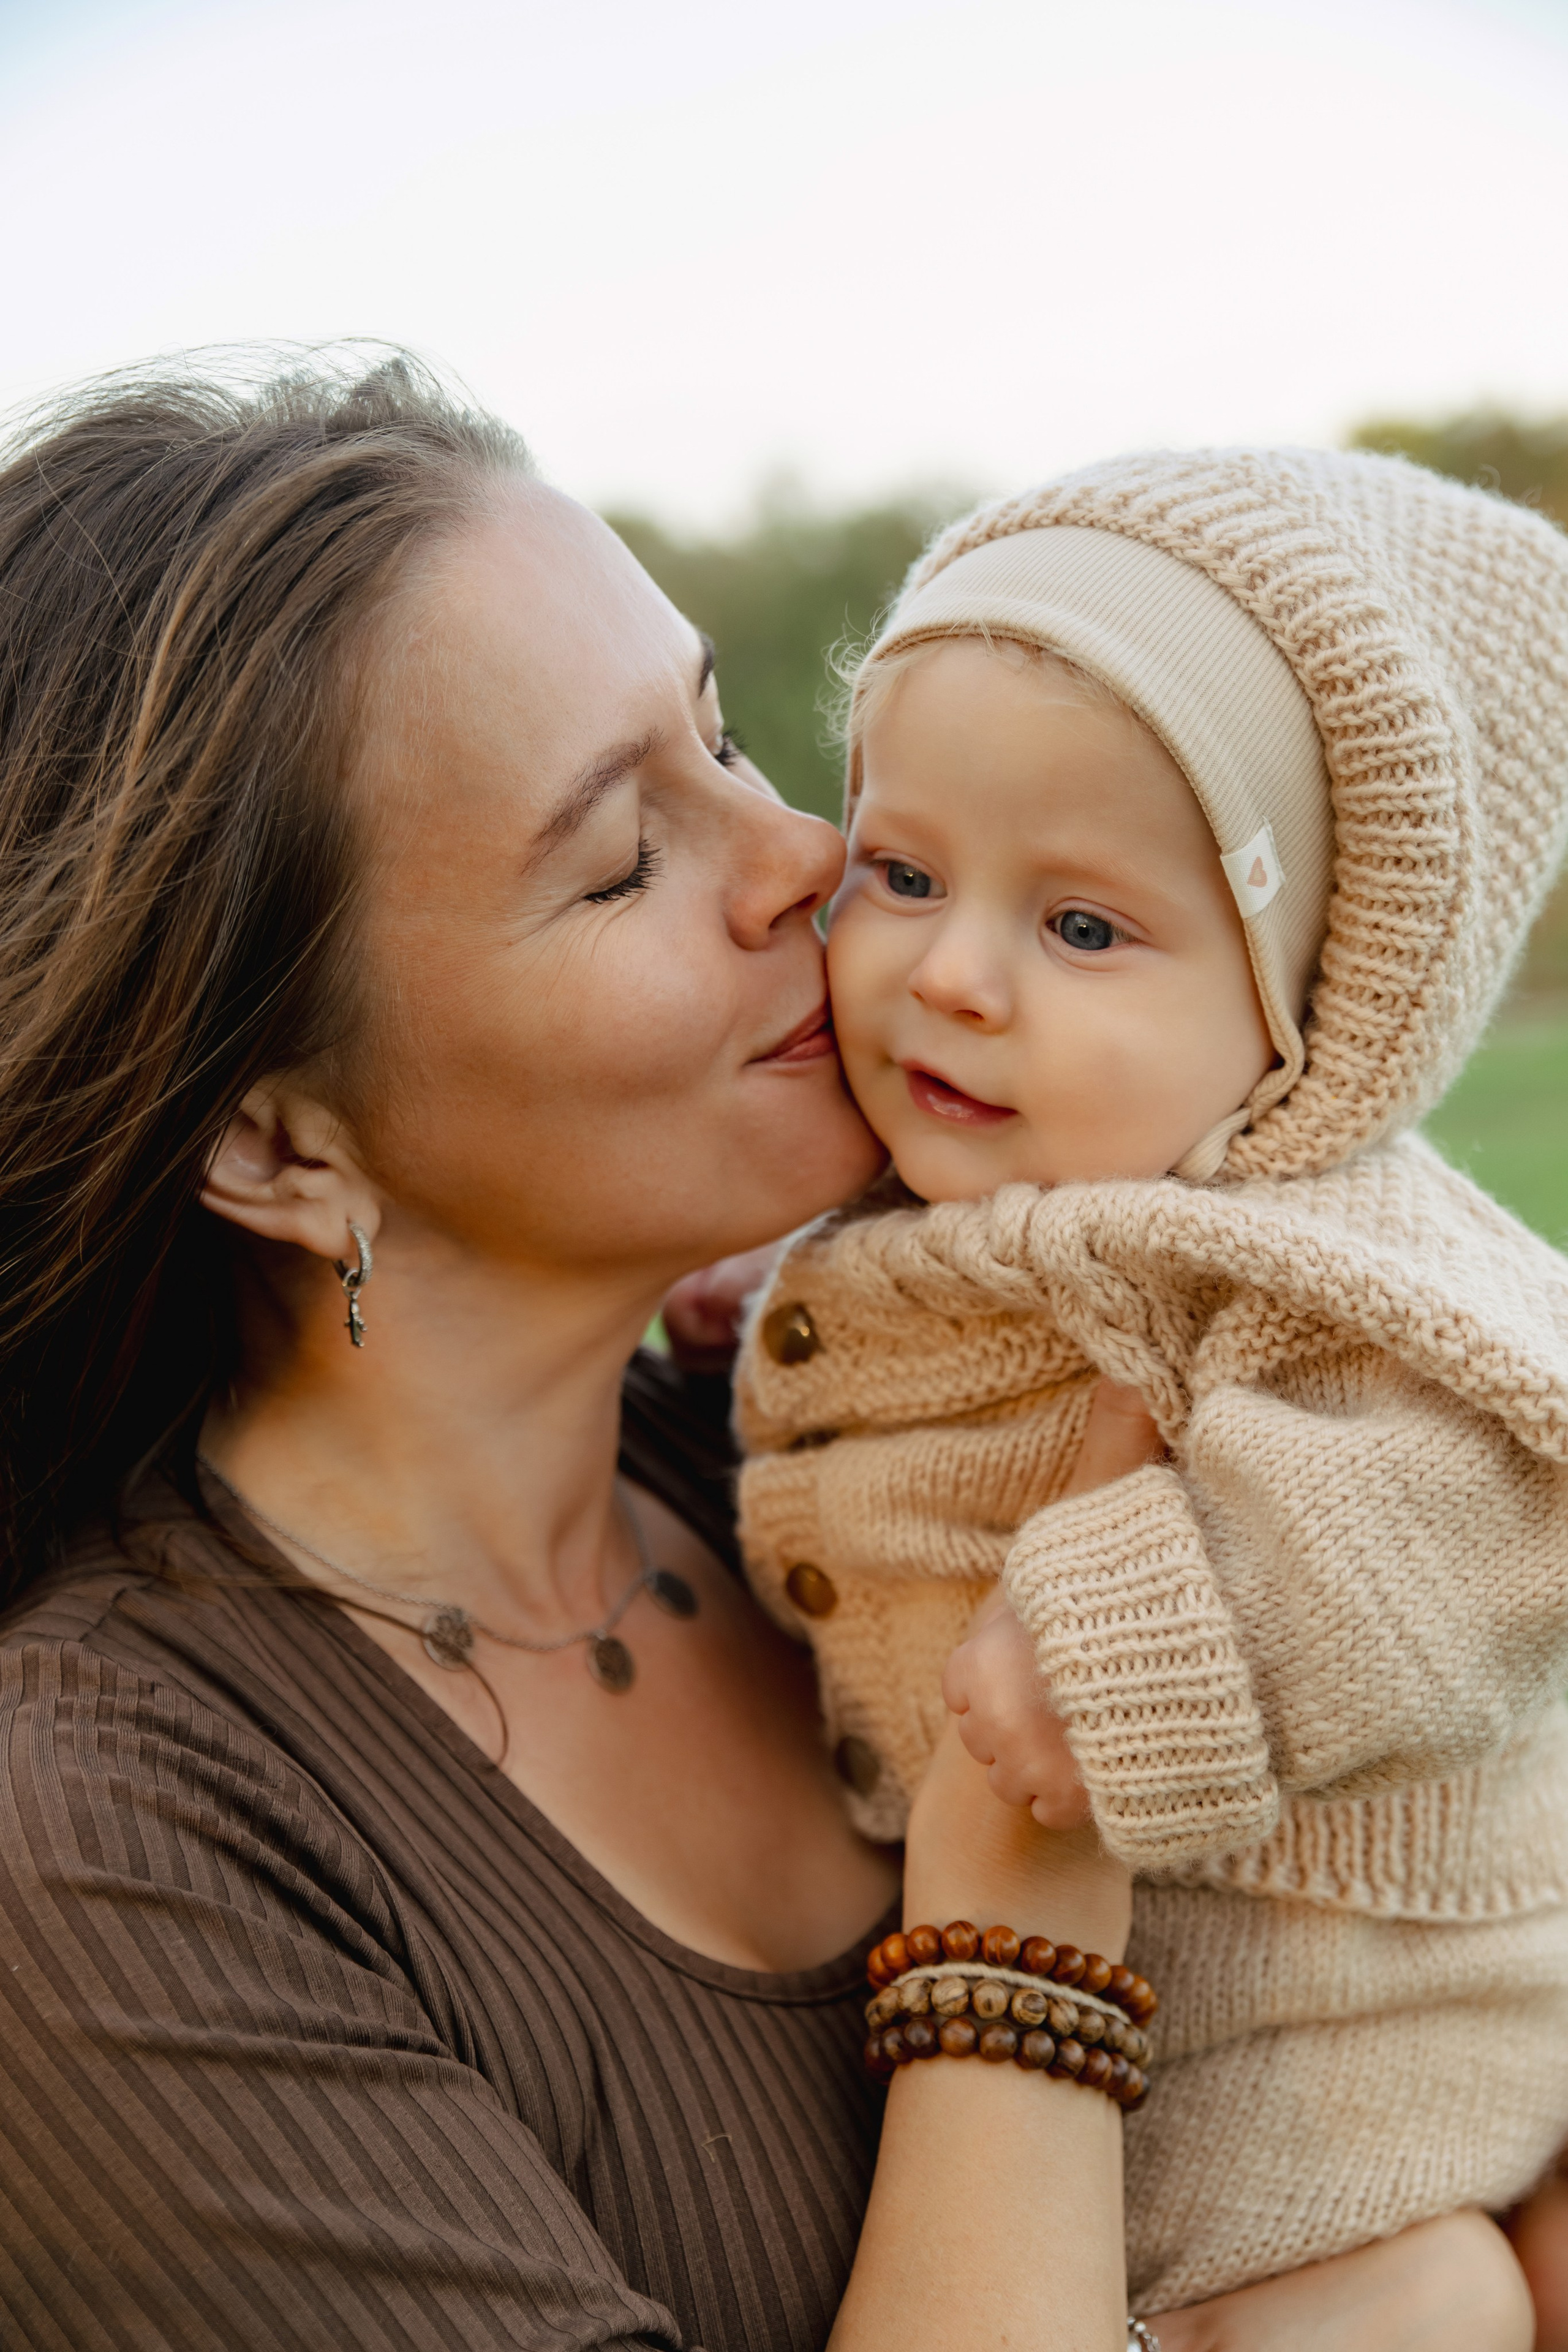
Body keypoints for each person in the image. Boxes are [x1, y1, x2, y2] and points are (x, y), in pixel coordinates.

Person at [0, 360, 1534, 2352]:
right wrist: (1011, 1939)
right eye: (623, 855)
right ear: (282, 1142)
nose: (807, 857)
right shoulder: (109, 1854)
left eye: (724, 736)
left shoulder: (841, 1444)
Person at [736, 452, 1568, 2320]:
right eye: (903, 871)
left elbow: (1494, 1501)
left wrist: (1140, 1636)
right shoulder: (996, 1188)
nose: (952, 972)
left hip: (1361, 2086)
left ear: (1303, 1018)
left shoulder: (1321, 1263)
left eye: (1085, 927)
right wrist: (767, 1314)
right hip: (1114, 2114)